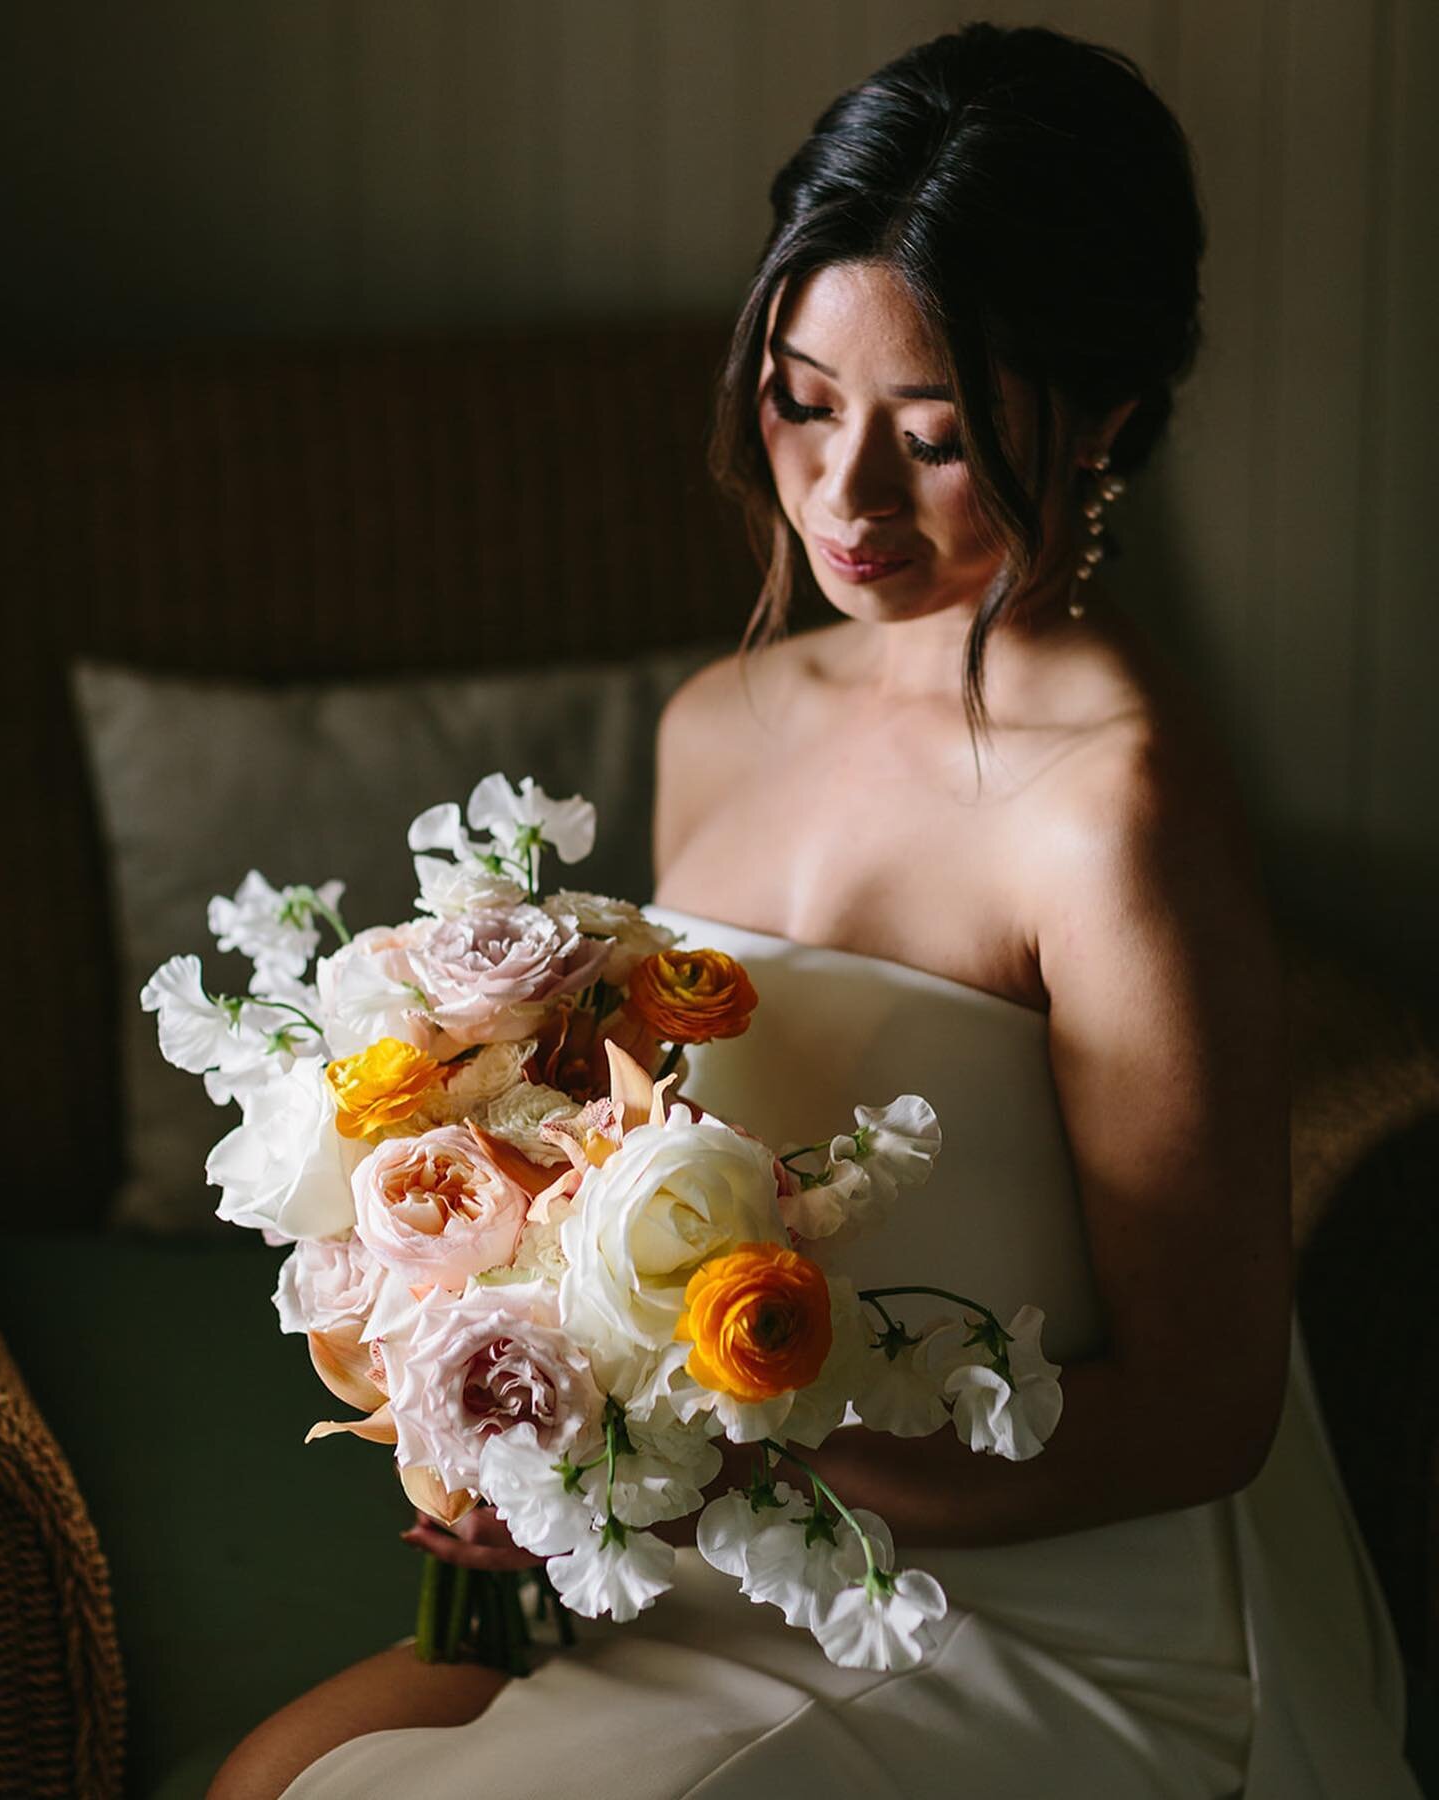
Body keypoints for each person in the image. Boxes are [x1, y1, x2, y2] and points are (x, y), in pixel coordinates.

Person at [212, 24, 1419, 1798]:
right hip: (728, 1556)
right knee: (274, 1780)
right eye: (801, 399)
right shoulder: (719, 720)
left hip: (1031, 1615)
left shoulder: (1116, 805)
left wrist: (752, 1473)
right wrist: (543, 1433)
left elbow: (1208, 1409)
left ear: (1111, 424)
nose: (843, 499)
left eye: (932, 437)